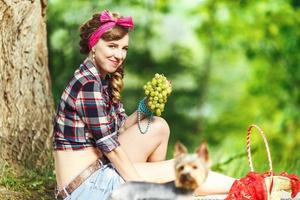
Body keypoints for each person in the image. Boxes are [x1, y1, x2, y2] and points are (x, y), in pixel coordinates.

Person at [53, 10, 235, 200]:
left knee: (158, 127)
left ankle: (246, 188)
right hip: (87, 189)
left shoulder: (101, 80)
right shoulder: (88, 84)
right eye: (112, 46)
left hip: (98, 173)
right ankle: (249, 186)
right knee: (173, 172)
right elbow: (110, 147)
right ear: (94, 45)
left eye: (124, 48)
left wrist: (146, 106)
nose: (119, 55)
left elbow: (121, 129)